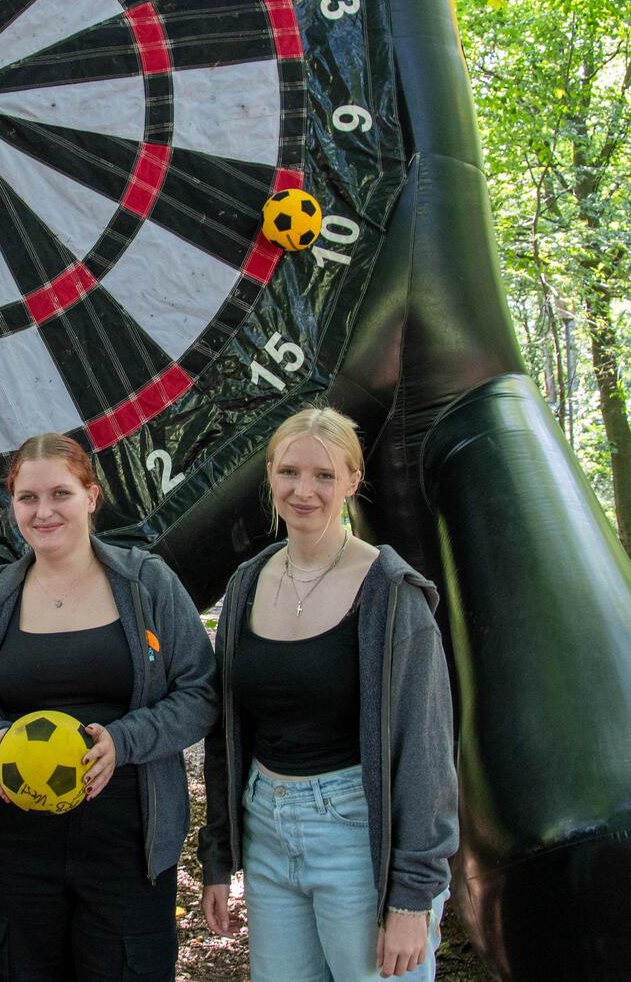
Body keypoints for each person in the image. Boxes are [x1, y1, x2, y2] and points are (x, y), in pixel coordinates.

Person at [0, 432, 218, 980]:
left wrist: (124, 741)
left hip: (127, 843)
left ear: (91, 496)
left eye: (60, 494)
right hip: (17, 848)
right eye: (27, 498)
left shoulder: (145, 583)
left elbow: (200, 692)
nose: (44, 512)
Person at [197, 406, 458, 980]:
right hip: (267, 830)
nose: (304, 491)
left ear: (352, 482)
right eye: (289, 472)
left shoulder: (392, 593)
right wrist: (218, 855)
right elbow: (226, 729)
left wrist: (412, 895)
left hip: (357, 836)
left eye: (324, 475)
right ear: (270, 474)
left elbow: (427, 751)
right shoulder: (246, 584)